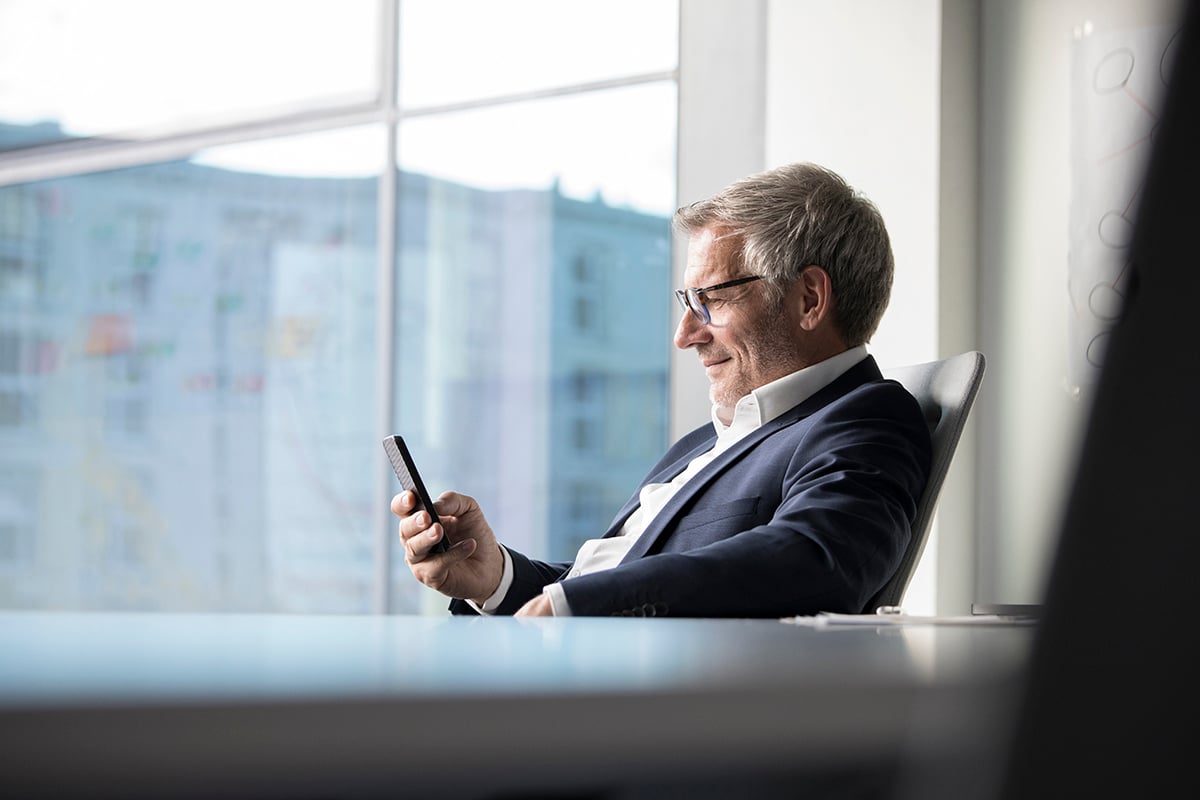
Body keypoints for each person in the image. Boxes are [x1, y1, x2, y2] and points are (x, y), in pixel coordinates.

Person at [393, 162, 932, 618]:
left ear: (810, 298)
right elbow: (620, 577)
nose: (685, 335)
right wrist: (497, 580)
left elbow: (816, 557)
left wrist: (580, 608)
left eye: (711, 301)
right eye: (686, 302)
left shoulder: (868, 420)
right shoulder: (702, 444)